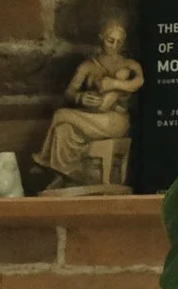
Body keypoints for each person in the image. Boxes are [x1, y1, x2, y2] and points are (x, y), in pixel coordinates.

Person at [34, 17, 142, 188]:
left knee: (61, 115)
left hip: (113, 120)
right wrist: (80, 97)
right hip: (90, 116)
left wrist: (114, 84)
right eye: (110, 40)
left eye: (119, 42)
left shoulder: (129, 65)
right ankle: (67, 174)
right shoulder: (88, 65)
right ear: (101, 38)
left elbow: (138, 82)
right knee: (64, 129)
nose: (114, 46)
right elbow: (70, 92)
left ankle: (45, 158)